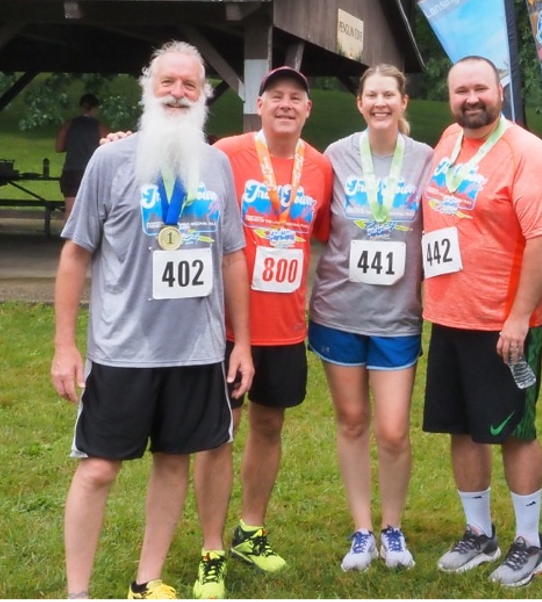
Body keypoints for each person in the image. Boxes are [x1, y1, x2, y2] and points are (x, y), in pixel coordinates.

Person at [50, 41, 253, 600]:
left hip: (197, 349)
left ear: (204, 95)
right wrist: (65, 346)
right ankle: (77, 593)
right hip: (123, 350)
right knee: (99, 470)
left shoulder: (216, 165)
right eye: (168, 82)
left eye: (190, 85)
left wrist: (243, 345)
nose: (178, 93)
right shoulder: (111, 161)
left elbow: (233, 255)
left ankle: (147, 580)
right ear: (148, 88)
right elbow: (74, 254)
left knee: (174, 463)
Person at [420, 55, 542, 588]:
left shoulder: (526, 152)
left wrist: (520, 318)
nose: (470, 99)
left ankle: (530, 543)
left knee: (513, 431)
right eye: (460, 91)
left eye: (479, 88)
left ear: (499, 89)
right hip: (450, 316)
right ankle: (478, 533)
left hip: (504, 324)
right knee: (462, 427)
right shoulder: (449, 140)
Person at [190, 65, 332, 598]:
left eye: (297, 97)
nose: (286, 105)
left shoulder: (318, 167)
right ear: (259, 103)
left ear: (307, 109)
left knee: (269, 428)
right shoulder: (225, 153)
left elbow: (318, 233)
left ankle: (250, 529)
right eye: (277, 97)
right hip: (224, 325)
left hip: (286, 327)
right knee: (217, 431)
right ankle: (211, 549)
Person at [307, 64, 434, 572]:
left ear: (404, 102)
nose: (380, 102)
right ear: (360, 103)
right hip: (339, 311)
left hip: (398, 317)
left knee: (394, 430)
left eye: (390, 94)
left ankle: (393, 527)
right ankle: (362, 530)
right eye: (371, 95)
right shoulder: (335, 156)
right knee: (352, 421)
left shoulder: (426, 159)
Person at [56, 93, 109, 221]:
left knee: (70, 210)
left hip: (71, 171)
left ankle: (69, 239)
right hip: (91, 173)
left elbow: (59, 147)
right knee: (91, 211)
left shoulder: (69, 124)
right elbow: (109, 149)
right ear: (95, 108)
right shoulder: (99, 127)